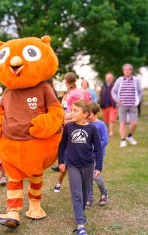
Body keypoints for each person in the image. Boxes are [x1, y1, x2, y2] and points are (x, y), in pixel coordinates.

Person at [58, 100, 103, 235]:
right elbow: (62, 145)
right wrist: (61, 161)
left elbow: (98, 149)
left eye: (75, 110)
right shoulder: (68, 127)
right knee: (77, 194)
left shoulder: (92, 129)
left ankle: (80, 212)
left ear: (85, 114)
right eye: (71, 110)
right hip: (73, 165)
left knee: (84, 193)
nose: (72, 113)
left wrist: (98, 166)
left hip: (88, 165)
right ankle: (81, 224)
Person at [54, 72, 91, 192]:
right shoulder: (82, 92)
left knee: (67, 149)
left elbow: (71, 112)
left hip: (71, 125)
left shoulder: (71, 95)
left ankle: (60, 179)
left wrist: (63, 121)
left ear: (66, 82)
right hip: (82, 123)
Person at [111, 63, 143, 148]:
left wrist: (138, 100)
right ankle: (123, 140)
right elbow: (113, 91)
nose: (127, 71)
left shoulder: (136, 80)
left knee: (134, 123)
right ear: (123, 71)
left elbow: (140, 91)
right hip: (122, 105)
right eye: (125, 70)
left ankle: (130, 136)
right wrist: (117, 100)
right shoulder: (119, 80)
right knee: (123, 123)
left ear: (131, 71)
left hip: (133, 105)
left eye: (128, 69)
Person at [86, 102, 109, 207]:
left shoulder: (101, 125)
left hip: (97, 155)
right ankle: (89, 199)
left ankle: (104, 192)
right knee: (87, 177)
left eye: (89, 114)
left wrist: (94, 149)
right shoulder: (86, 124)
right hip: (86, 156)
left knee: (96, 177)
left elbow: (105, 140)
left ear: (95, 114)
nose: (86, 116)